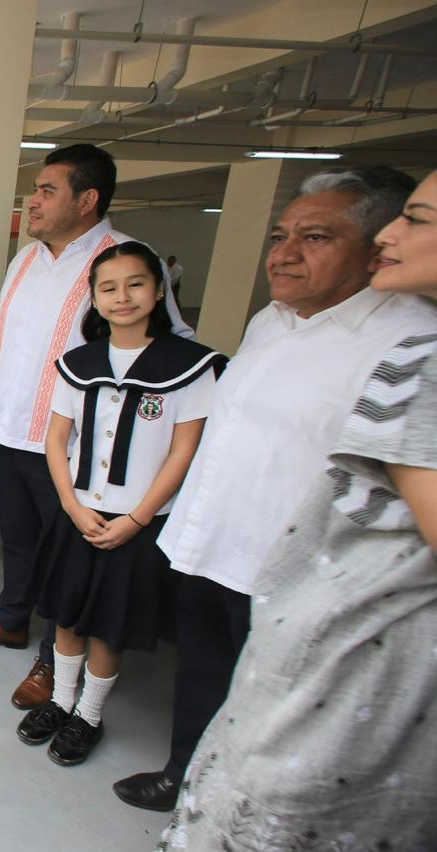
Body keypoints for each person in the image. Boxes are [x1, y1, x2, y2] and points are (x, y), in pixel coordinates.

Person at [114, 166, 437, 813]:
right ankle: (185, 776)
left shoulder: (403, 343)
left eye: (314, 238)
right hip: (217, 543)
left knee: (279, 710)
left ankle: (242, 807)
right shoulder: (272, 320)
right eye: (281, 234)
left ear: (376, 242)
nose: (284, 254)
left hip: (294, 572)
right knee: (203, 674)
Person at [0, 144, 193, 712]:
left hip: (78, 450)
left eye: (46, 191)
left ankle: (55, 660)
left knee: (69, 559)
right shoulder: (26, 259)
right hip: (12, 430)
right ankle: (12, 621)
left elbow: (171, 341)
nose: (32, 201)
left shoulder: (121, 258)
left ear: (88, 199)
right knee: (18, 541)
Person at [15, 241, 223, 767]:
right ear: (94, 298)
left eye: (135, 284)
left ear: (158, 291)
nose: (122, 297)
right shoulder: (77, 363)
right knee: (66, 615)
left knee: (109, 625)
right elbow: (57, 441)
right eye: (108, 287)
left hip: (138, 523)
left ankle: (88, 714)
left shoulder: (191, 367)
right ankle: (60, 702)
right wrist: (71, 504)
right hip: (78, 513)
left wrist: (136, 518)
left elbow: (184, 451)